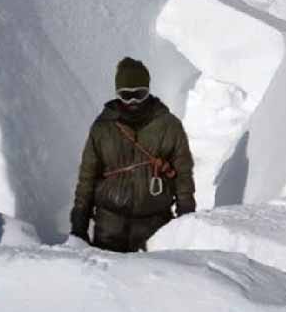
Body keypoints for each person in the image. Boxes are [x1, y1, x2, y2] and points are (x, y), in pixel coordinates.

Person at [70, 57, 195, 251]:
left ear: (148, 90)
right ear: (117, 94)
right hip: (109, 227)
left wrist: (186, 222)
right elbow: (87, 178)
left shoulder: (169, 125)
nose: (133, 101)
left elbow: (183, 177)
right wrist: (79, 227)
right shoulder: (103, 128)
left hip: (156, 227)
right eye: (126, 95)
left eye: (140, 94)